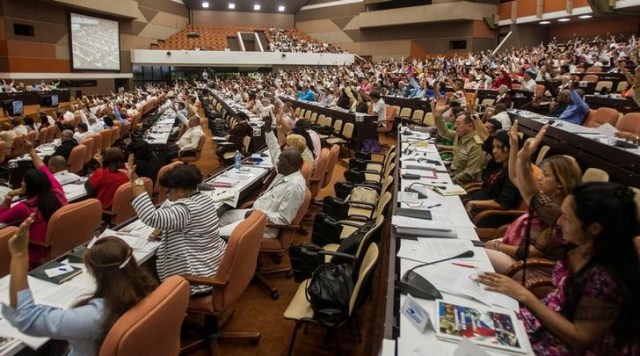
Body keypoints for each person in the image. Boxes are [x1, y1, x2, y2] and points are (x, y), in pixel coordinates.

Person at [479, 182, 640, 355]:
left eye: (567, 218)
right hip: (544, 320)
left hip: (564, 344)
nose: (560, 222)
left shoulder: (606, 278)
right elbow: (533, 196)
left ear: (594, 229)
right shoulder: (576, 242)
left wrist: (525, 296)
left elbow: (580, 337)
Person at [1, 216, 158, 356]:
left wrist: (19, 255)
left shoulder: (95, 316)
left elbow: (26, 319)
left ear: (96, 273)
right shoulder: (149, 289)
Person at [484, 122, 582, 277]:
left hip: (532, 267)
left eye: (546, 174)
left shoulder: (556, 211)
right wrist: (514, 146)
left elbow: (531, 253)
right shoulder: (546, 201)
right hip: (517, 252)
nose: (540, 177)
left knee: (477, 255)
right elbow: (514, 176)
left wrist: (497, 246)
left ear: (560, 184)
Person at [129, 161, 226, 295]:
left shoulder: (184, 209)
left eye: (169, 191)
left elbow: (150, 217)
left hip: (195, 281)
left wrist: (136, 182)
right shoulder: (204, 199)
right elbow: (192, 227)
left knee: (143, 273)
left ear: (182, 190)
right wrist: (166, 228)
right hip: (211, 267)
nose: (168, 195)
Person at [0, 140, 67, 267]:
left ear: (28, 186)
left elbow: (1, 220)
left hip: (35, 253)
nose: (22, 183)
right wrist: (31, 150)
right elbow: (43, 168)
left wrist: (9, 196)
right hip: (59, 245)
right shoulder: (58, 192)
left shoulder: (25, 207)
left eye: (23, 181)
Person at [218, 148, 306, 239]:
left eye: (280, 161)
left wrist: (258, 215)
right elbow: (275, 151)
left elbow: (284, 219)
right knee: (218, 219)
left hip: (264, 225)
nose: (277, 163)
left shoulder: (295, 187)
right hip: (254, 214)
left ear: (289, 164)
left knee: (217, 234)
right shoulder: (286, 174)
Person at [465, 130, 521, 215]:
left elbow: (502, 203)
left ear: (511, 148)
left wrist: (473, 203)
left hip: (490, 214)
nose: (494, 151)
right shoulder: (499, 164)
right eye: (493, 147)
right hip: (476, 204)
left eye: (499, 147)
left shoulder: (515, 173)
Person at [432, 97, 484, 185]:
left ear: (470, 126)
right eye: (455, 123)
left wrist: (449, 181)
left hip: (463, 183)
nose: (455, 127)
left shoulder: (477, 144)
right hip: (451, 174)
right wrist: (438, 115)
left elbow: (469, 173)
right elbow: (444, 132)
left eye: (458, 124)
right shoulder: (459, 135)